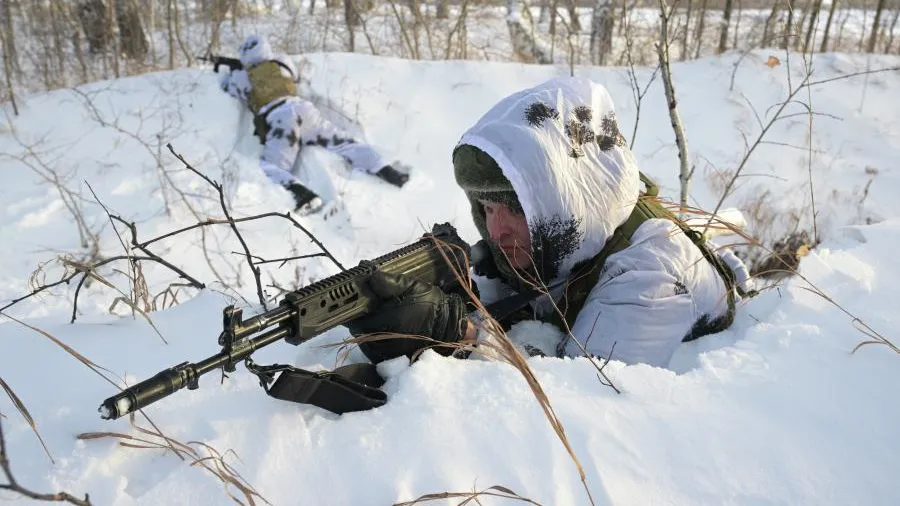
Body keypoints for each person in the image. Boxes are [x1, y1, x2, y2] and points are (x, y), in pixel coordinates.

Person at [346, 77, 755, 369]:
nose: (498, 231)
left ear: (568, 200)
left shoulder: (650, 279)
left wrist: (460, 338)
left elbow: (581, 411)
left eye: (518, 209)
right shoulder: (580, 233)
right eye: (487, 209)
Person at [217, 34, 410, 215]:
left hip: (280, 121)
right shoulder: (282, 62)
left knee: (271, 166)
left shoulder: (243, 78)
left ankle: (304, 197)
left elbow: (227, 85)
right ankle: (388, 172)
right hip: (304, 111)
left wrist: (230, 68)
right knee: (345, 143)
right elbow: (292, 75)